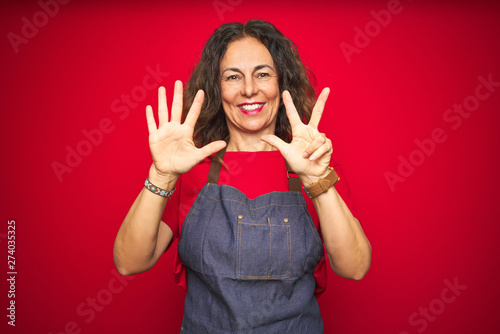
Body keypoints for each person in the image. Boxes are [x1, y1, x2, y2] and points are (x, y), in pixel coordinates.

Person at [113, 19, 371, 333]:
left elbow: (355, 267)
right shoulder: (189, 171)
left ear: (282, 83)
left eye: (263, 74)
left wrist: (317, 181)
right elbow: (129, 262)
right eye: (233, 76)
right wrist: (161, 174)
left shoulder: (315, 169)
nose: (249, 89)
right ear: (216, 88)